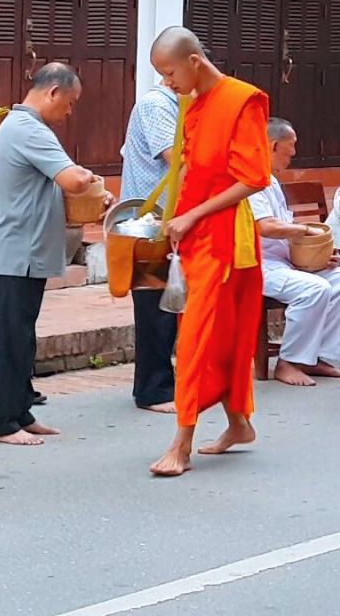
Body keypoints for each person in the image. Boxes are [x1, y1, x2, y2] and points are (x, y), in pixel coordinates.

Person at [147, 26, 272, 478]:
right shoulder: (191, 103)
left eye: (169, 72)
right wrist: (176, 219)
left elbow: (254, 177)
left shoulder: (244, 101)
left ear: (194, 61)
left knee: (198, 336)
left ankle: (182, 442)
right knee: (214, 335)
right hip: (195, 235)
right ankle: (238, 423)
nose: (167, 82)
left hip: (225, 238)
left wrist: (194, 215)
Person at [0, 62, 107, 446]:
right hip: (17, 248)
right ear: (53, 92)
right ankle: (0, 423)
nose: (69, 112)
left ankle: (19, 412)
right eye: (70, 103)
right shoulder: (28, 129)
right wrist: (92, 182)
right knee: (8, 336)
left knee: (22, 336)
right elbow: (73, 179)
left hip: (21, 248)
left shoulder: (23, 128)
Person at [248, 118, 340, 386]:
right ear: (274, 145)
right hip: (257, 264)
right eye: (291, 148)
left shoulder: (272, 182)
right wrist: (304, 232)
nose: (294, 154)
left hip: (283, 260)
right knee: (315, 289)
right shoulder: (249, 179)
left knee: (337, 279)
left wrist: (319, 256)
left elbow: (283, 227)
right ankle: (288, 361)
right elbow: (266, 226)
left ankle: (315, 356)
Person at [117, 83, 182, 413]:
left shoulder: (175, 106)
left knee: (169, 304)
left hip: (163, 222)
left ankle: (162, 382)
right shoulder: (158, 105)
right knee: (154, 306)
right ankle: (153, 389)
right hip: (148, 224)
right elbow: (178, 160)